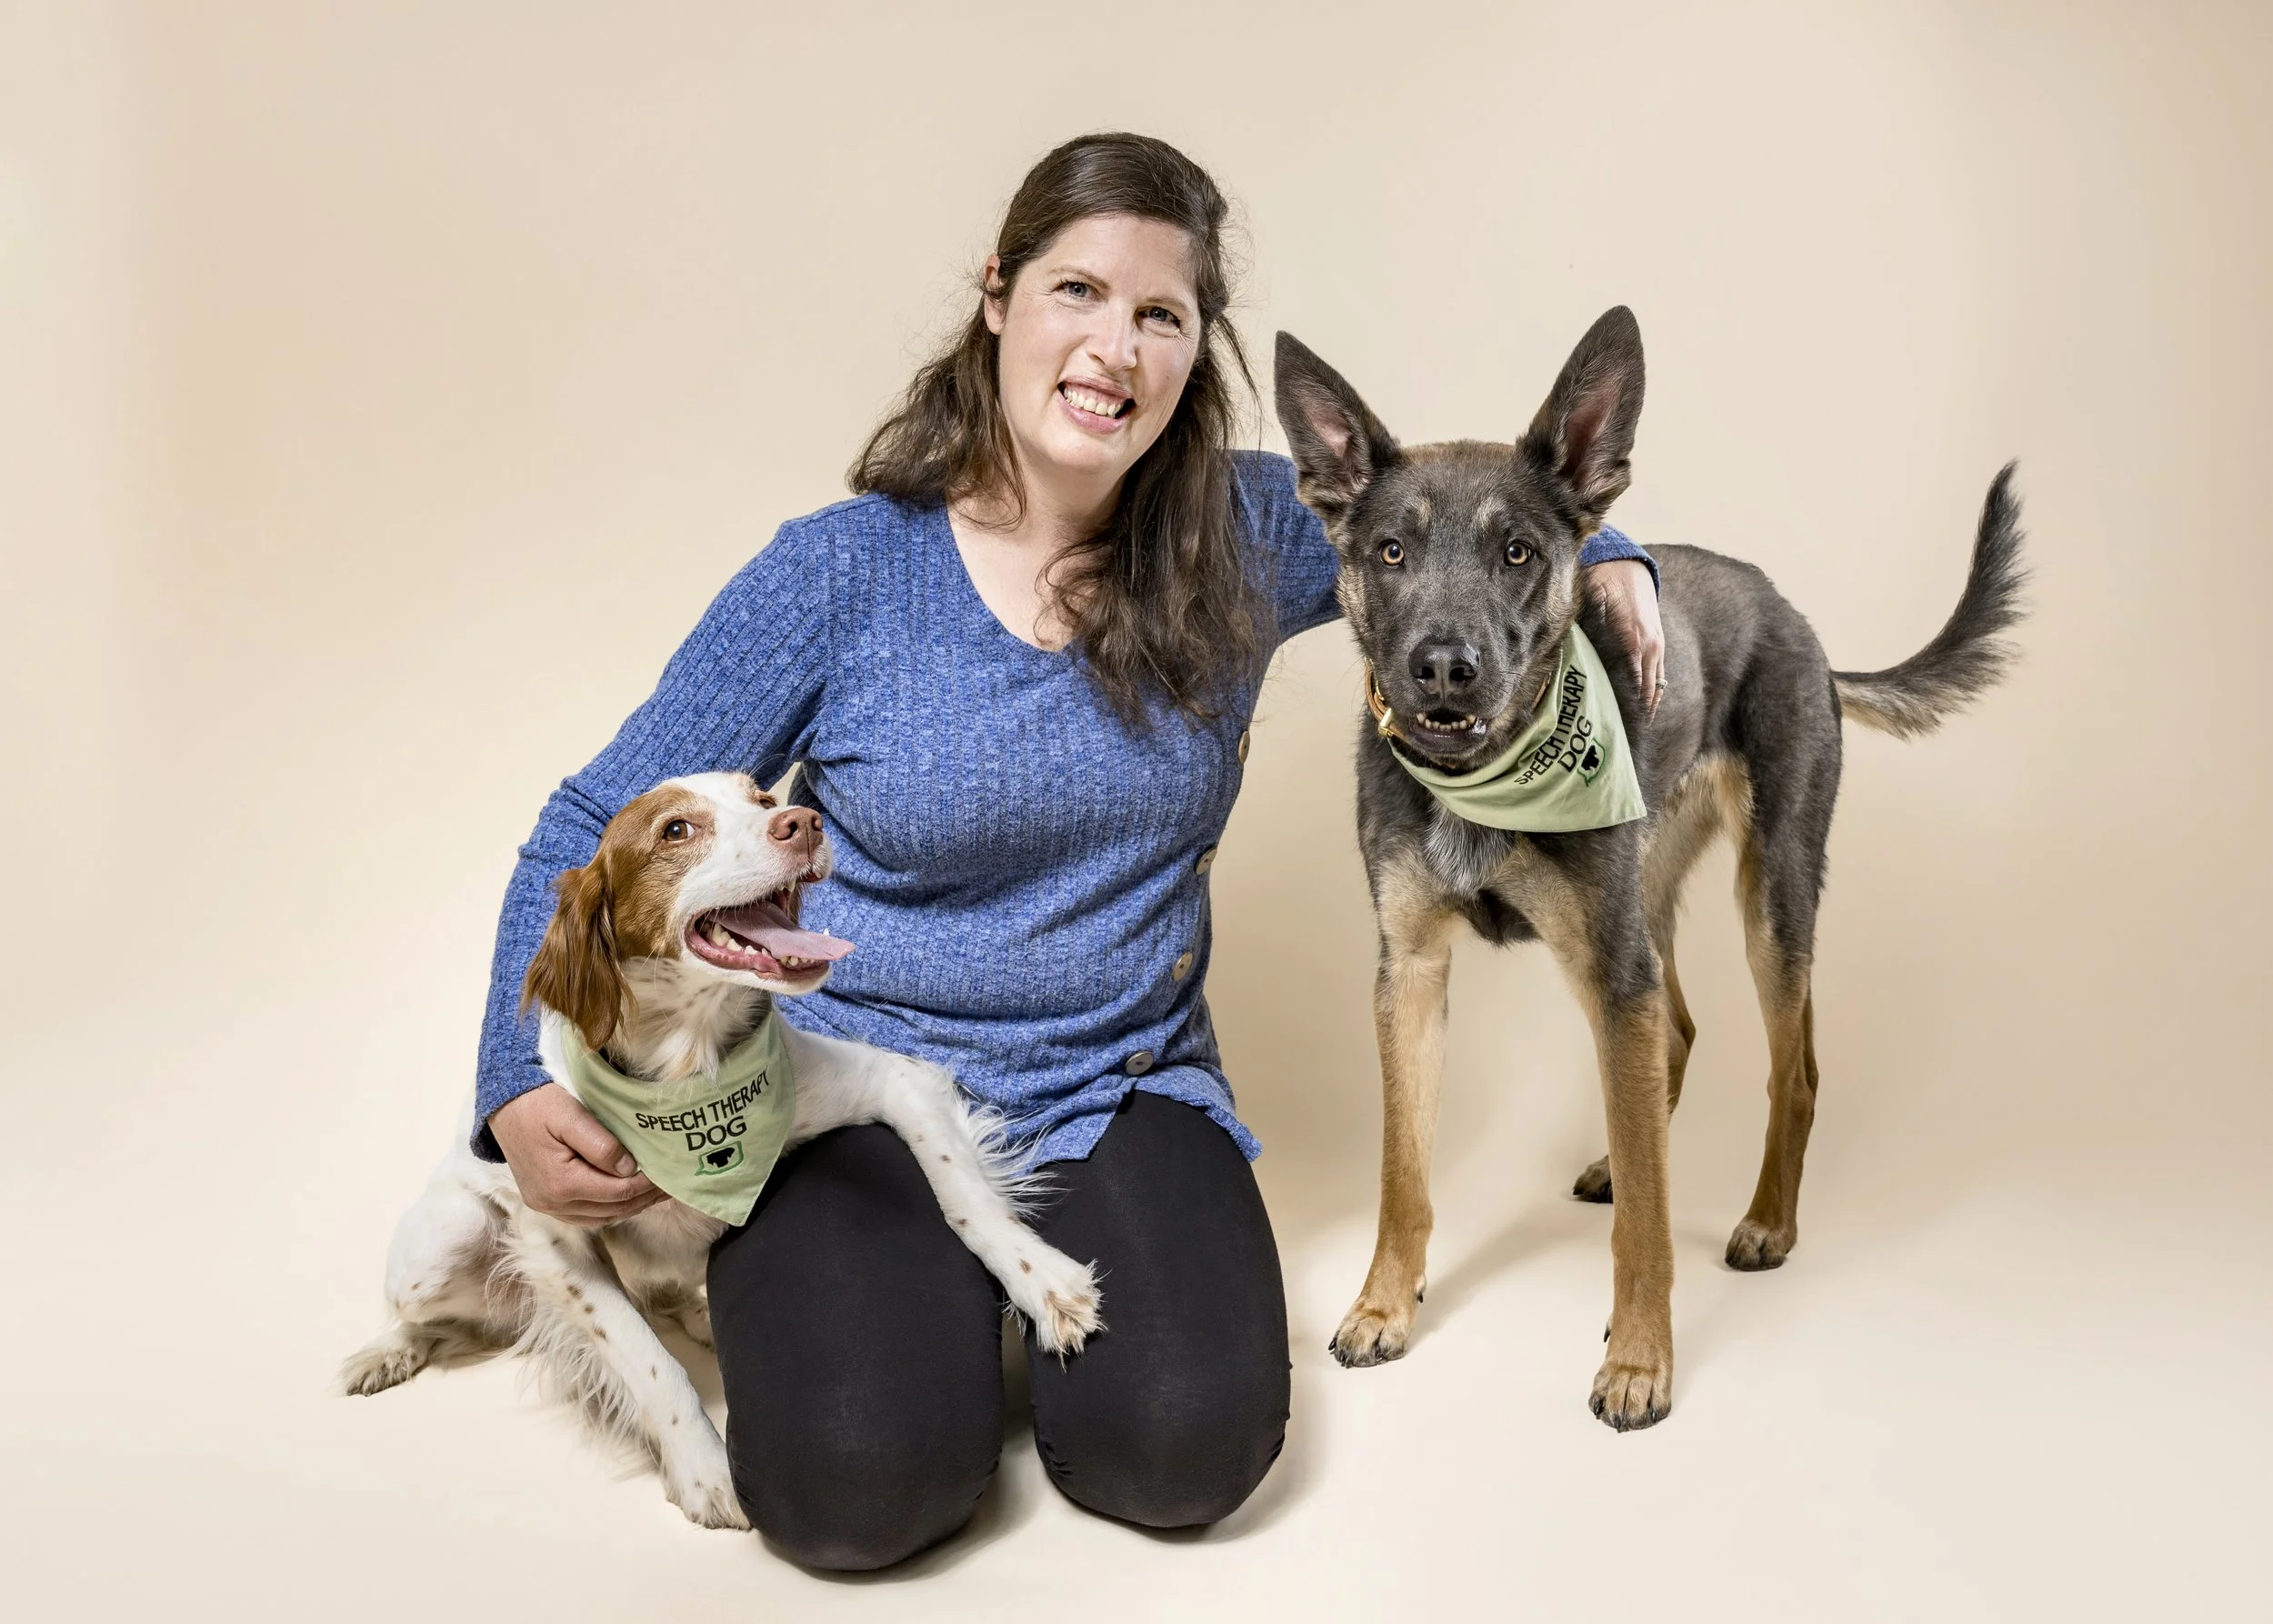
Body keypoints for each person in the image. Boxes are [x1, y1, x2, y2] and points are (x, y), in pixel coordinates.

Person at [476, 132, 1663, 1569]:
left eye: (1162, 314)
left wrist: (1622, 566)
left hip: (1118, 1074)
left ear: (1195, 350)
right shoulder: (845, 571)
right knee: (856, 1494)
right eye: (1079, 292)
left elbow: (1485, 515)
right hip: (848, 1091)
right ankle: (920, 1289)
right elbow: (579, 818)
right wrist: (505, 1091)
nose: (1116, 347)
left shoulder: (1243, 528)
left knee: (1187, 1451)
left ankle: (1002, 1287)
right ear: (997, 296)